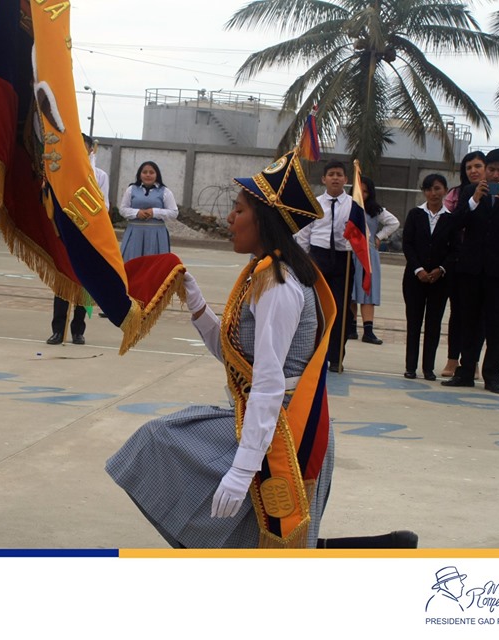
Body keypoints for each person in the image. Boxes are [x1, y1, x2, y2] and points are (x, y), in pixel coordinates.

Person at [107, 154, 335, 548]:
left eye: (239, 210)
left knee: (160, 442)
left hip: (284, 427)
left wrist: (243, 468)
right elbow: (238, 358)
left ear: (264, 221)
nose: (229, 218)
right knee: (161, 445)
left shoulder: (278, 284)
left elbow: (267, 382)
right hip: (262, 416)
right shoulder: (261, 271)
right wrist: (195, 302)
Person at [442, 148, 499, 394]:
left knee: (496, 326)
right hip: (471, 270)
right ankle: (465, 372)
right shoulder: (470, 192)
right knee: (468, 322)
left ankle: (492, 375)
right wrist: (474, 201)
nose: (495, 175)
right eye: (491, 170)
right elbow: (455, 223)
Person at [295, 160, 362, 371]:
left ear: (346, 179)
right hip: (318, 258)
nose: (335, 178)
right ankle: (314, 355)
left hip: (343, 260)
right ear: (324, 179)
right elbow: (303, 235)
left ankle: (336, 357)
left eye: (339, 174)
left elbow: (362, 233)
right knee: (316, 309)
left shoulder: (353, 205)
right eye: (331, 174)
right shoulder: (314, 204)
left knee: (340, 310)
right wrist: (305, 261)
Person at [48, 134, 109, 345]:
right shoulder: (61, 171)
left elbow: (104, 205)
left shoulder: (99, 175)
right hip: (65, 232)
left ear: (91, 149)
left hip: (88, 234)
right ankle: (58, 330)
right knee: (63, 280)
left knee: (85, 283)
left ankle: (78, 330)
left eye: (83, 146)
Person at [402, 174, 458, 380]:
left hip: (440, 281)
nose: (433, 193)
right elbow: (407, 244)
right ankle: (410, 366)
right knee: (414, 322)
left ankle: (428, 368)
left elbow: (455, 249)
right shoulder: (415, 214)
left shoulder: (451, 219)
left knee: (433, 324)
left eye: (437, 188)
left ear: (445, 191)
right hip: (415, 279)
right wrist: (418, 269)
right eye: (429, 189)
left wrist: (441, 269)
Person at [440, 151, 486, 377]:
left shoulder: (497, 194)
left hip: (484, 265)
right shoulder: (457, 194)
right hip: (459, 262)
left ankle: (472, 361)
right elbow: (451, 224)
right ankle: (452, 360)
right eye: (469, 167)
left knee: (479, 317)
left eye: (477, 166)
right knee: (458, 313)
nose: (473, 171)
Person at [347, 176, 399, 344]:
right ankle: (351, 328)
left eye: (365, 191)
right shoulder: (347, 206)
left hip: (367, 255)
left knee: (367, 291)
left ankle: (368, 331)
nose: (362, 194)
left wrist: (379, 236)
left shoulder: (376, 210)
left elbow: (394, 223)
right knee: (351, 291)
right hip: (349, 253)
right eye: (359, 190)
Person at [118, 160, 177, 261]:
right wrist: (137, 213)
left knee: (154, 263)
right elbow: (123, 209)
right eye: (144, 172)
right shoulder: (131, 189)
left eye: (151, 172)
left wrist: (154, 212)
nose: (148, 175)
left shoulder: (165, 191)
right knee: (132, 261)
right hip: (135, 233)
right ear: (140, 174)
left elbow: (174, 213)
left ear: (157, 175)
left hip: (156, 235)